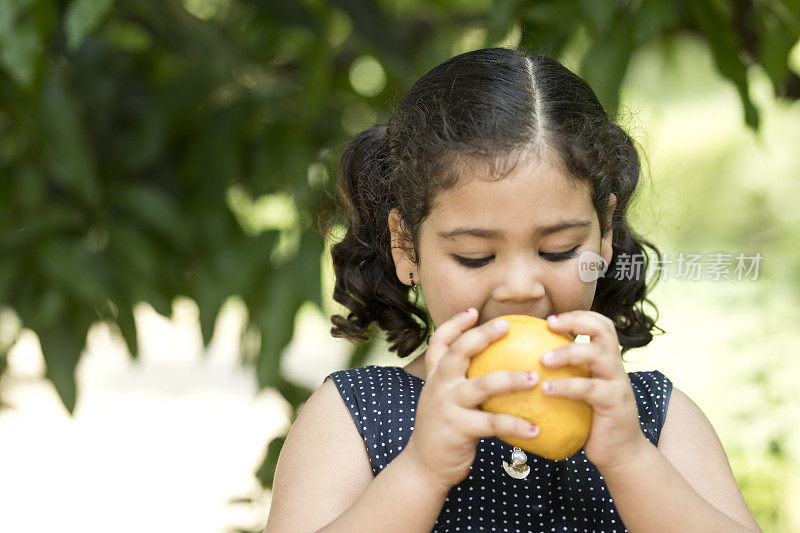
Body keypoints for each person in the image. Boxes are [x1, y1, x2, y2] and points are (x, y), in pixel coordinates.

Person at [264, 47, 761, 532]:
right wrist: (421, 472)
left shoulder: (655, 417)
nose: (522, 288)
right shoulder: (359, 416)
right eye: (474, 256)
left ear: (604, 235)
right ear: (405, 246)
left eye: (560, 250)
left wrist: (632, 462)